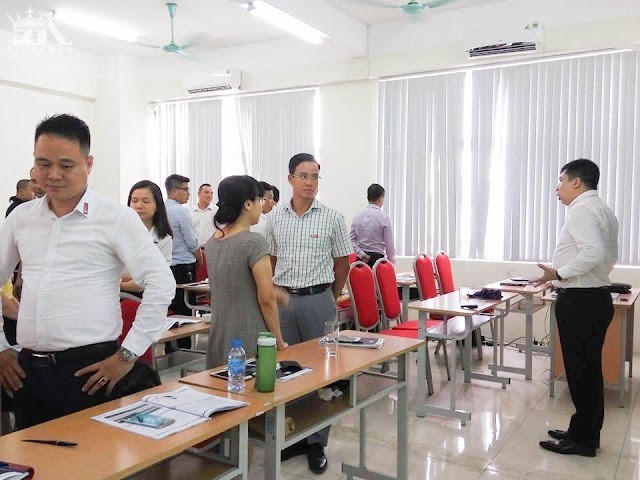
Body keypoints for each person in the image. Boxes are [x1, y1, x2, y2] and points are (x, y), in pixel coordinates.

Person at [0, 114, 175, 429]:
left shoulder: (115, 218)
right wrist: (2, 348)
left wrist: (128, 354)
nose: (53, 175)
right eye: (43, 164)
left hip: (93, 371)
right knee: (32, 456)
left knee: (95, 457)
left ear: (88, 163)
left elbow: (161, 282)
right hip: (28, 372)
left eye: (66, 165)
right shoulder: (21, 218)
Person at [264, 153, 352, 474]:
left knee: (322, 373)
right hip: (285, 303)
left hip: (319, 300)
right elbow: (270, 261)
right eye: (304, 176)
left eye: (315, 177)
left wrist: (330, 296)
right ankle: (293, 436)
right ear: (290, 179)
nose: (310, 183)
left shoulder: (332, 217)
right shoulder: (274, 218)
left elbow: (343, 263)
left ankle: (316, 442)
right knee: (287, 370)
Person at [534, 159, 618, 458]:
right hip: (594, 297)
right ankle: (583, 431)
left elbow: (593, 251)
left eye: (561, 180)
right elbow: (606, 255)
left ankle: (582, 440)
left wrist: (559, 273)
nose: (557, 188)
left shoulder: (581, 209)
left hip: (581, 300)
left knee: (581, 371)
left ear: (576, 182)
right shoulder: (603, 209)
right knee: (588, 371)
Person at [204, 175, 287, 369]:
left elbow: (236, 284)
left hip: (219, 337)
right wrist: (279, 341)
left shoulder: (212, 242)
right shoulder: (254, 242)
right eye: (260, 200)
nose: (261, 205)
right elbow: (266, 300)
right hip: (249, 338)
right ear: (248, 204)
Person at [165, 174, 201, 350]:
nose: (188, 193)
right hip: (182, 268)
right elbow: (192, 242)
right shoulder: (180, 211)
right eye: (185, 189)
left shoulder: (160, 209)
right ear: (173, 191)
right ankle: (185, 349)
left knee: (170, 311)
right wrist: (200, 258)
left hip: (166, 267)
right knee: (185, 312)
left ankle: (170, 348)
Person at [121, 180, 174, 293]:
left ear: (157, 205)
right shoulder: (118, 232)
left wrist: (120, 283)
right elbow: (109, 270)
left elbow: (156, 278)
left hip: (148, 296)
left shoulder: (164, 239)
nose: (139, 206)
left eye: (146, 201)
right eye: (134, 201)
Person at [349, 183, 396, 268]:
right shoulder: (384, 218)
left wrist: (361, 253)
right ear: (381, 198)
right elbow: (389, 245)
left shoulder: (357, 217)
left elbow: (351, 240)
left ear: (368, 197)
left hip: (360, 262)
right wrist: (391, 265)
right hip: (378, 262)